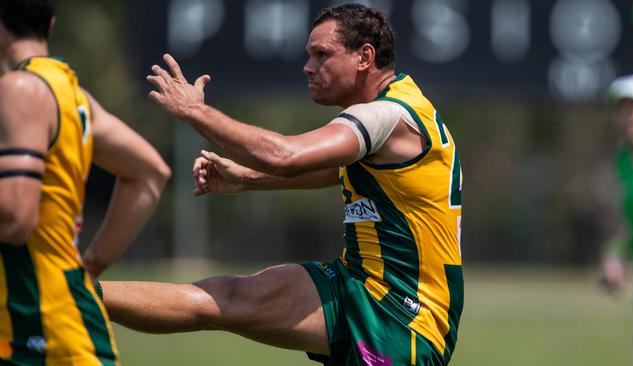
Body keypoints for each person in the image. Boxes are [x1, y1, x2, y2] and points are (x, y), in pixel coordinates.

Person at [101, 4, 463, 365]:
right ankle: (73, 292)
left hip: (403, 323)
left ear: (365, 57)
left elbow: (285, 156)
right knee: (224, 297)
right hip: (357, 283)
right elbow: (334, 169)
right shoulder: (400, 106)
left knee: (224, 300)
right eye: (309, 55)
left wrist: (196, 112)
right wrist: (246, 179)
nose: (308, 67)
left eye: (322, 55)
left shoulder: (386, 114)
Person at [0, 0, 171, 364]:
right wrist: (87, 266)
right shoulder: (69, 93)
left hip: (41, 332)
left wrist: (86, 269)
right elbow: (149, 172)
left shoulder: (20, 91)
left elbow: (15, 219)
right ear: (50, 22)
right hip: (44, 326)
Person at [601, 74, 633, 366]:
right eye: (623, 108)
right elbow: (630, 224)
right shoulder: (625, 160)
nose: (629, 115)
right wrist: (615, 256)